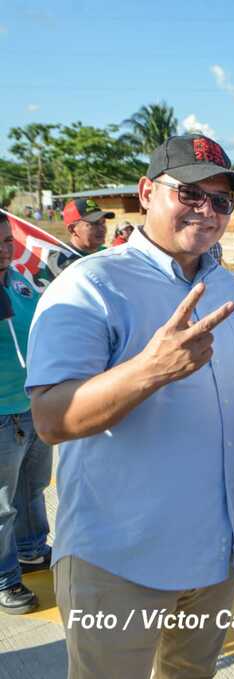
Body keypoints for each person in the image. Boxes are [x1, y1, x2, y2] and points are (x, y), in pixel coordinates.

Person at [26, 134, 234, 679]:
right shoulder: (90, 285)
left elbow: (229, 400)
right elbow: (51, 418)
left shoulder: (224, 284)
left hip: (214, 551)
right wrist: (150, 369)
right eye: (190, 193)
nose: (207, 210)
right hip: (120, 561)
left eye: (221, 200)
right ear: (147, 192)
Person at [0, 212, 53, 615]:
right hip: (2, 415)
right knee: (2, 506)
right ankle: (5, 579)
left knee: (32, 488)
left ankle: (31, 550)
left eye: (7, 241)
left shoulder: (19, 281)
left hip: (31, 405)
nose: (3, 250)